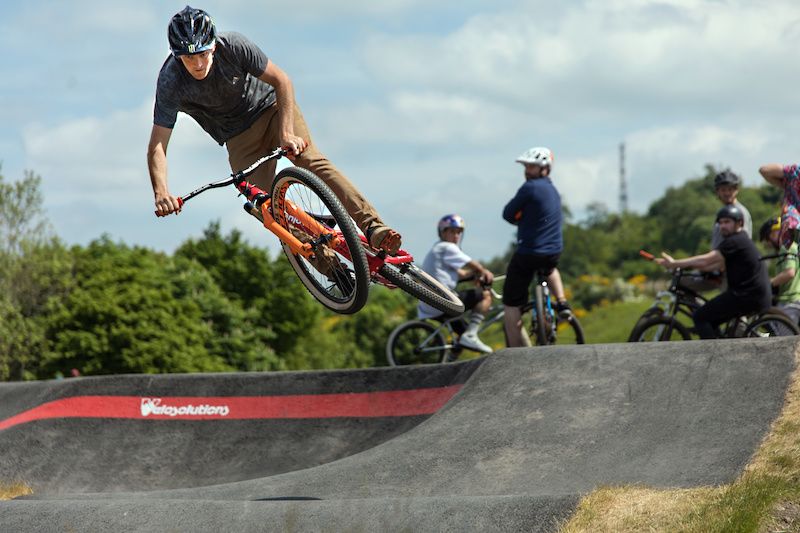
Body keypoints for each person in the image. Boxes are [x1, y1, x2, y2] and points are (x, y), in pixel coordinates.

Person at [148, 6, 401, 255]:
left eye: (202, 54)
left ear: (213, 45)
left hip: (272, 111)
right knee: (264, 206)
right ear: (176, 55)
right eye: (188, 57)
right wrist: (161, 193)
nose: (198, 64)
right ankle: (331, 270)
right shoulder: (171, 81)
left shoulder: (234, 46)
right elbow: (158, 143)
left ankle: (373, 226)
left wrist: (287, 133)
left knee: (309, 159)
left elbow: (282, 80)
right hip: (237, 137)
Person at [655, 205, 771, 339]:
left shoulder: (735, 240)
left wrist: (675, 263)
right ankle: (720, 347)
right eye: (720, 223)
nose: (722, 226)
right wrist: (689, 266)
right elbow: (717, 266)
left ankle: (713, 356)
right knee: (712, 320)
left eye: (727, 222)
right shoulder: (739, 240)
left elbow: (705, 260)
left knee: (700, 316)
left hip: (745, 295)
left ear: (739, 223)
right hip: (751, 294)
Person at [502, 147, 571, 348]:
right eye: (526, 167)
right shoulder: (554, 191)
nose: (527, 171)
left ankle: (513, 352)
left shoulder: (529, 188)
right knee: (550, 269)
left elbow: (507, 213)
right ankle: (562, 301)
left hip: (528, 254)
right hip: (553, 253)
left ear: (544, 169)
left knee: (511, 302)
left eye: (531, 167)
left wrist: (520, 221)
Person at [418, 215, 495, 354]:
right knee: (485, 295)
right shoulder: (446, 247)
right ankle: (471, 335)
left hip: (431, 305)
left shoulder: (437, 249)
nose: (456, 235)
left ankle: (449, 363)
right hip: (444, 303)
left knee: (462, 339)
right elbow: (475, 267)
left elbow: (463, 274)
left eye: (459, 232)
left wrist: (475, 276)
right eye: (452, 231)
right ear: (442, 232)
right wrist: (485, 273)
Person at [759, 215, 800, 324]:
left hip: (789, 301)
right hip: (792, 300)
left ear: (774, 234)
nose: (768, 244)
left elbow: (789, 273)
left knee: (785, 339)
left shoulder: (786, 248)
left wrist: (768, 283)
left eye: (767, 239)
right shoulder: (791, 247)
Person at [711, 170, 752, 249]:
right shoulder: (722, 212)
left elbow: (743, 241)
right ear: (717, 191)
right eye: (723, 190)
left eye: (730, 190)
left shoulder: (741, 212)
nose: (727, 193)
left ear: (736, 190)